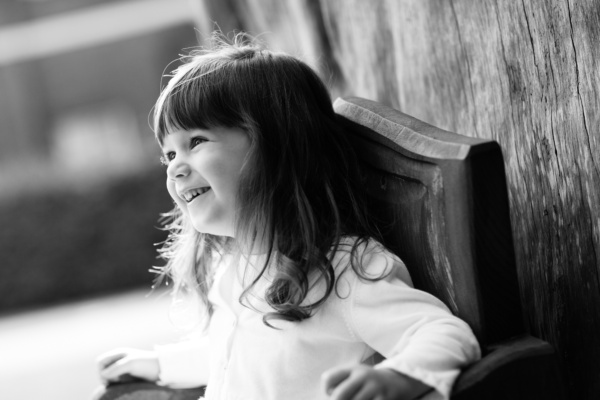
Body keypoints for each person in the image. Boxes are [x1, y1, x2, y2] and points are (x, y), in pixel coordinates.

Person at [97, 34, 480, 400]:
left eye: (195, 142)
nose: (175, 169)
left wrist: (399, 378)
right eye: (169, 154)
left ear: (276, 148)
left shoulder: (345, 270)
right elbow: (237, 355)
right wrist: (160, 364)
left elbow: (440, 332)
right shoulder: (238, 267)